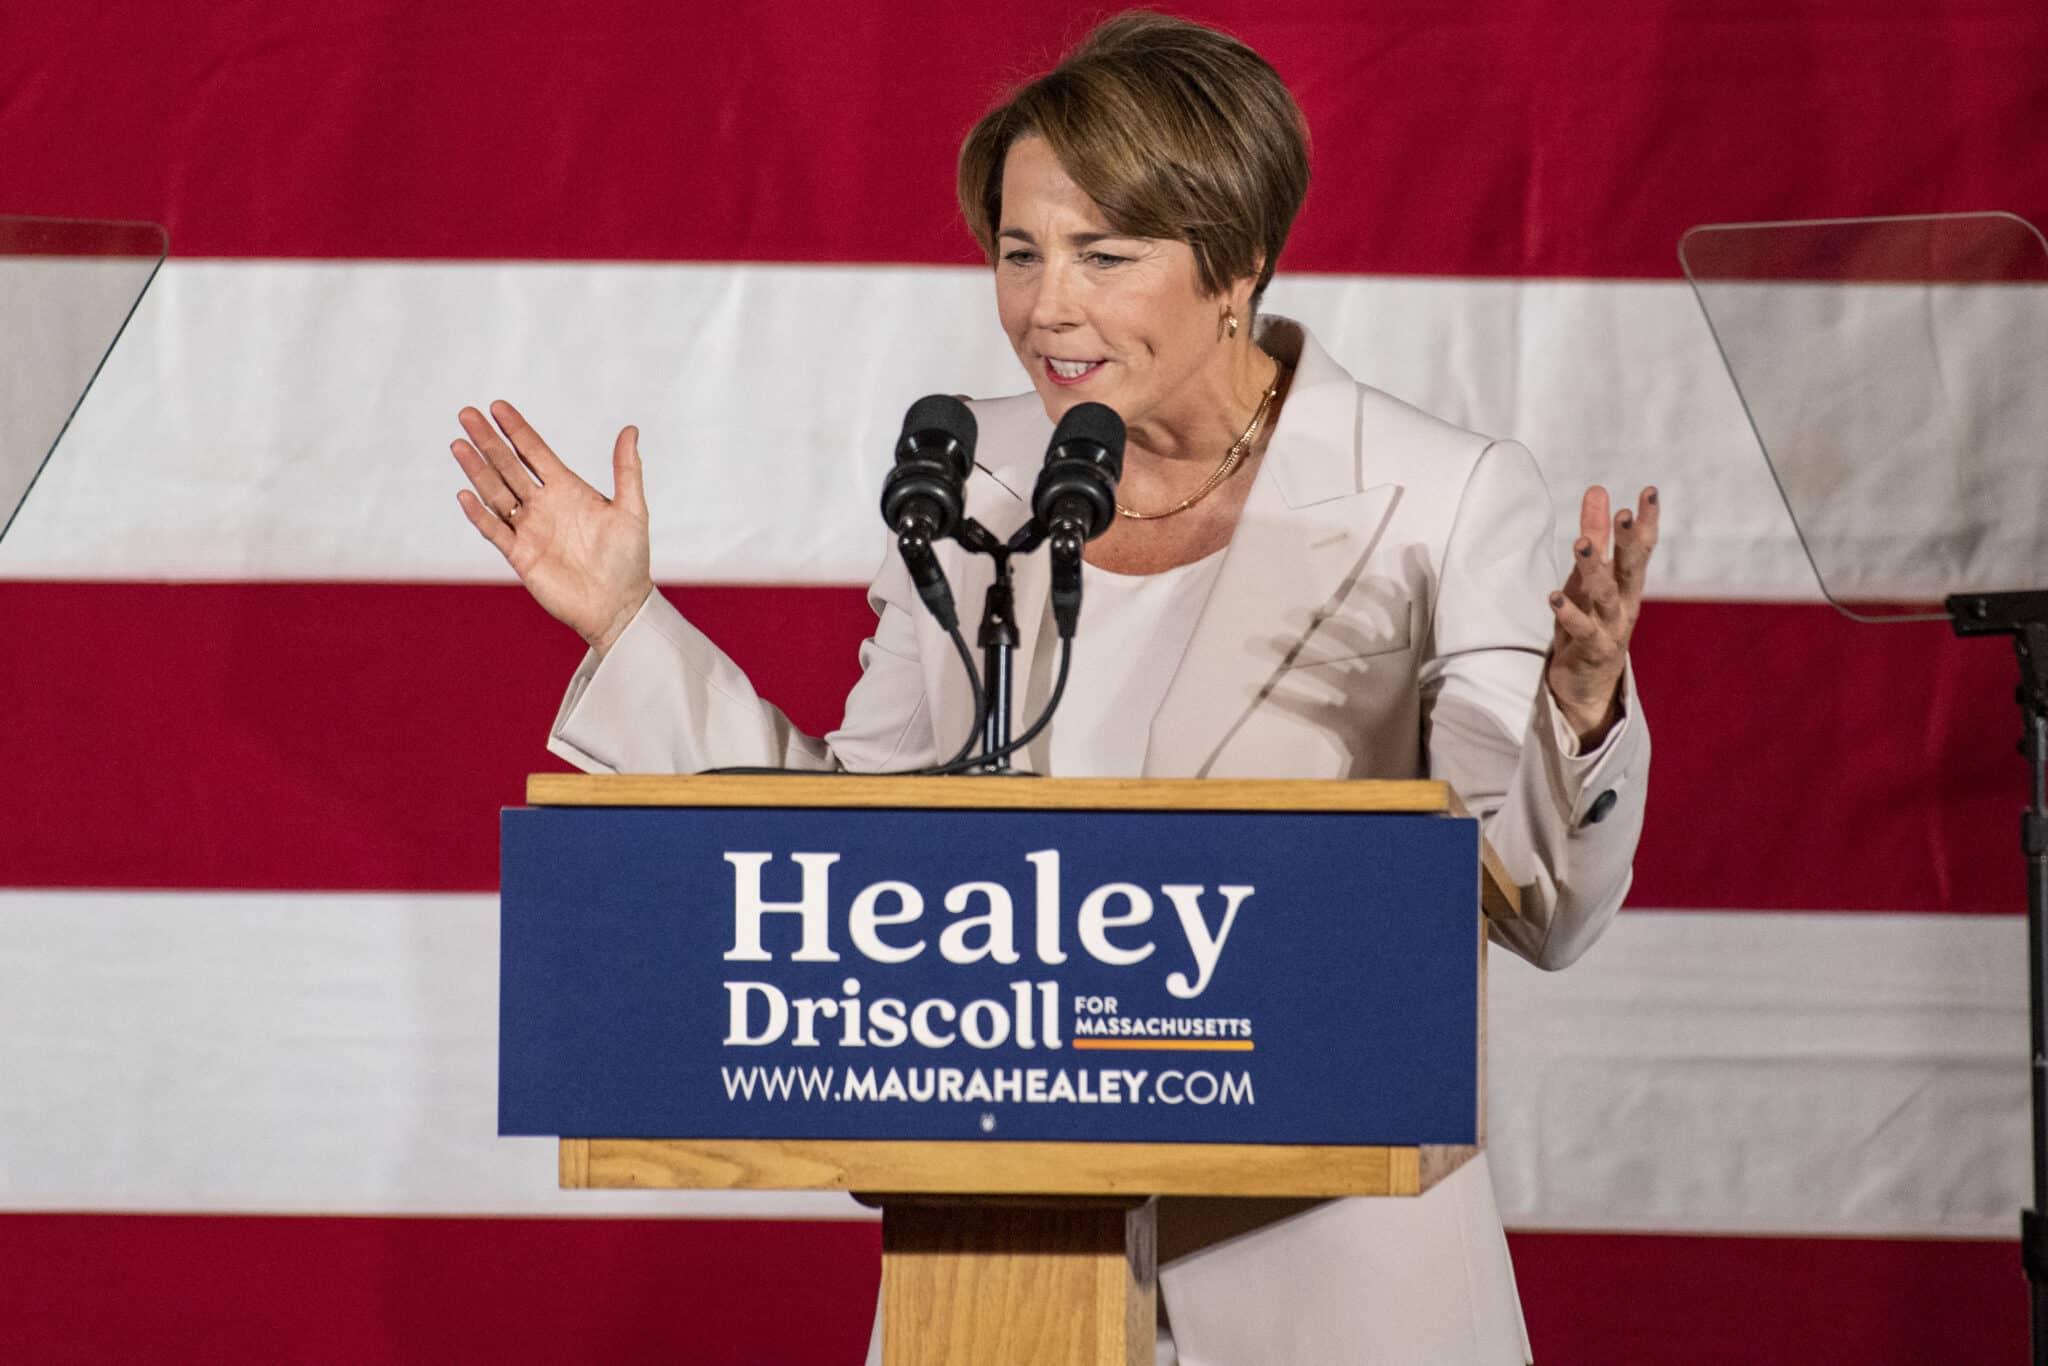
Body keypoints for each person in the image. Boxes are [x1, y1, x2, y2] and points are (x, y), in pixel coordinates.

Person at [448, 13, 1653, 1363]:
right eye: (1018, 252)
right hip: (1003, 1282)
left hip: (1334, 1291)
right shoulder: (972, 479)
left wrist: (1583, 712)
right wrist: (628, 621)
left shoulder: (1438, 493)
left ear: (1238, 261)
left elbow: (1535, 903)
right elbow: (854, 845)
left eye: (1103, 254)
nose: (1044, 304)